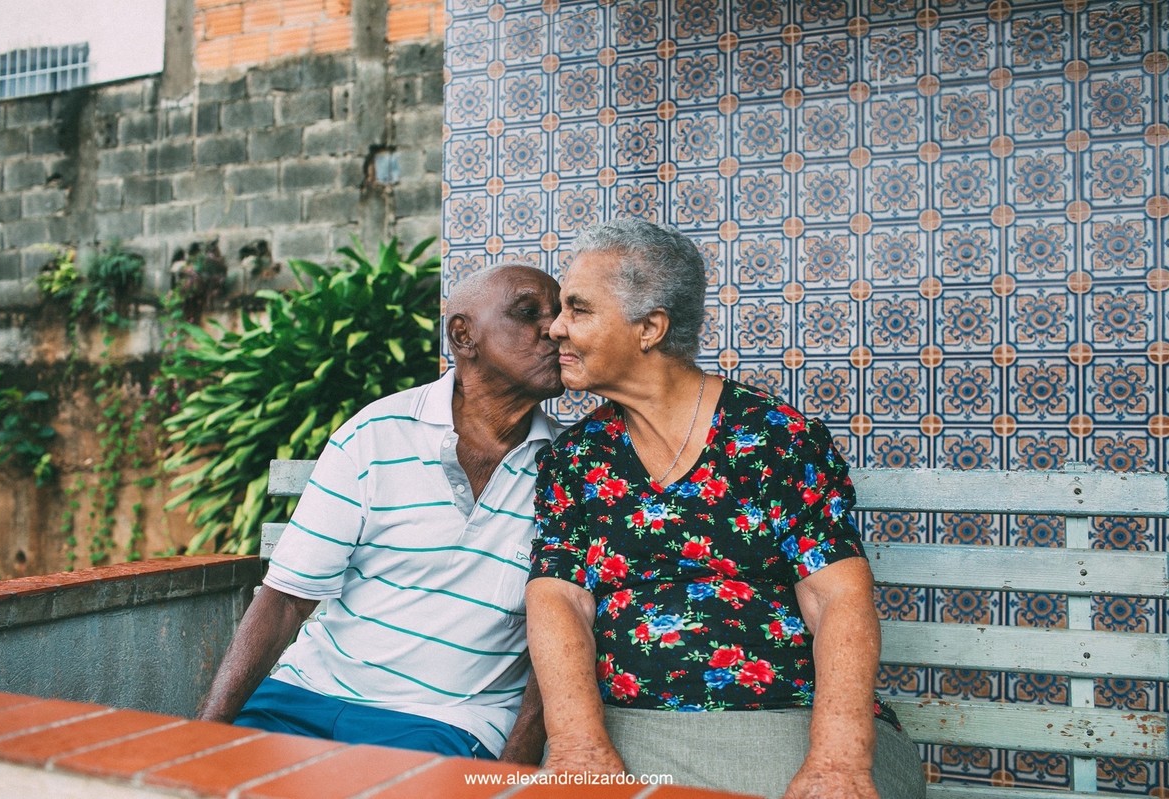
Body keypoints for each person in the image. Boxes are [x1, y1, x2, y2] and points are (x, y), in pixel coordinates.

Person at [525, 218, 925, 798]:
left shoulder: (774, 438)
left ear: (650, 328)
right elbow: (558, 595)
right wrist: (580, 747)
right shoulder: (577, 459)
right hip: (631, 731)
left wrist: (838, 760)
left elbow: (836, 593)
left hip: (789, 721)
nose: (556, 328)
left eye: (578, 310)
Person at [197, 263, 562, 762]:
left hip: (443, 721)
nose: (556, 328)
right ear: (464, 335)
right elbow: (285, 601)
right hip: (304, 695)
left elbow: (562, 640)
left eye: (560, 312)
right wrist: (202, 740)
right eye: (529, 313)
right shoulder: (375, 434)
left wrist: (512, 769)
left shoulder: (569, 469)